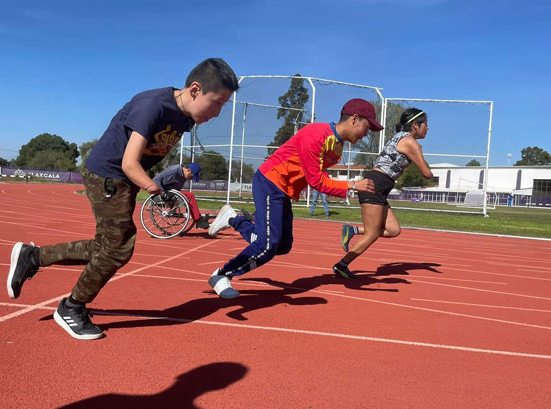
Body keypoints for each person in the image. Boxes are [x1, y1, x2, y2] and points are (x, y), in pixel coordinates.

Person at [6, 58, 239, 339]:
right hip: (109, 174)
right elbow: (130, 162)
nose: (217, 113)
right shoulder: (152, 105)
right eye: (216, 102)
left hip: (123, 179)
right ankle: (71, 306)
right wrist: (154, 188)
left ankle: (33, 257)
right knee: (117, 249)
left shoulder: (186, 118)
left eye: (223, 106)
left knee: (104, 247)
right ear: (194, 89)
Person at [205, 98, 382, 299]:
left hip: (283, 190)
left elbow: (315, 176)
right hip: (270, 182)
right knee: (267, 245)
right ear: (355, 119)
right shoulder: (316, 135)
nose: (367, 134)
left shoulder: (337, 148)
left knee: (282, 245)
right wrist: (351, 185)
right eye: (367, 127)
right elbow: (316, 181)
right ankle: (221, 275)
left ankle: (234, 219)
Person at [336, 108, 432, 279]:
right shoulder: (410, 143)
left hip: (380, 186)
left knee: (394, 230)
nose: (428, 127)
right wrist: (430, 172)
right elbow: (426, 173)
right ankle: (341, 265)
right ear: (416, 125)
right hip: (376, 185)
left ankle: (353, 230)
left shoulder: (400, 137)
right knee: (372, 234)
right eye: (426, 123)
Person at [153, 162, 213, 229]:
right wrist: (163, 193)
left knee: (188, 196)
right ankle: (198, 220)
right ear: (188, 170)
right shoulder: (174, 170)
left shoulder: (183, 175)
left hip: (173, 193)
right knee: (190, 195)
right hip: (164, 193)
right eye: (192, 176)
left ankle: (197, 218)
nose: (192, 179)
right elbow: (156, 180)